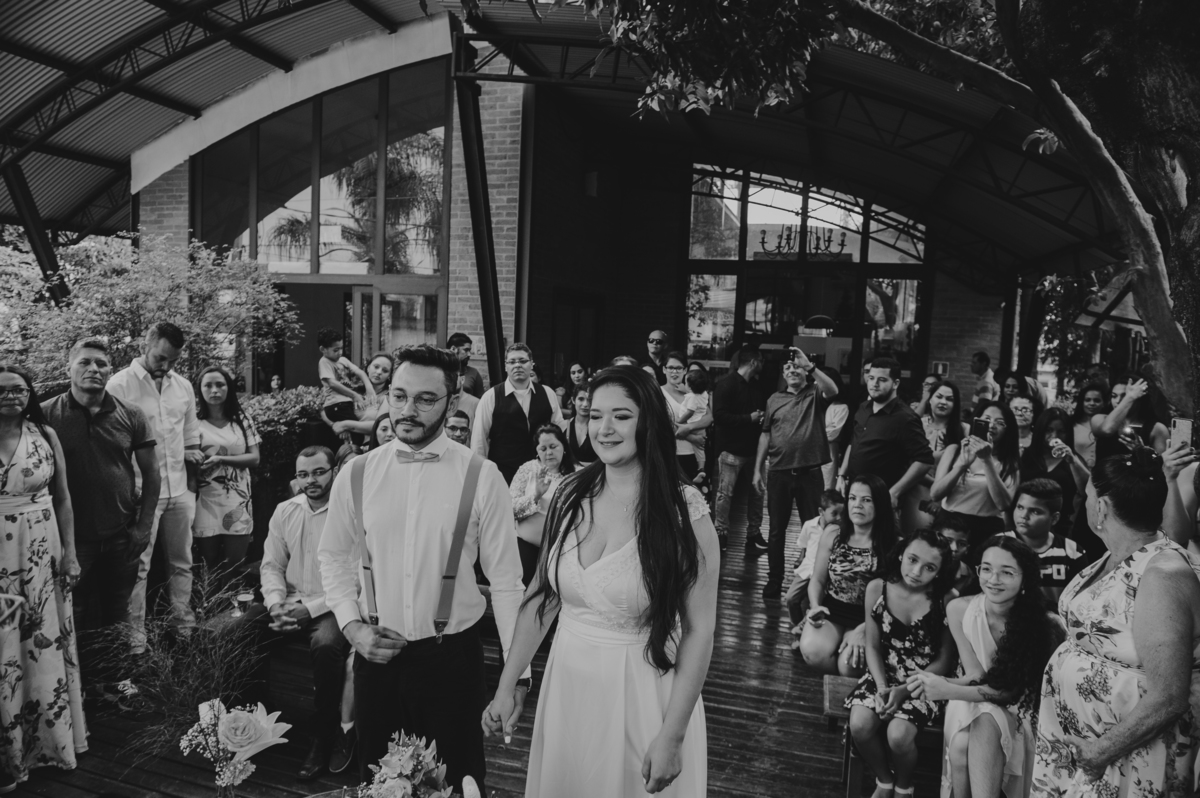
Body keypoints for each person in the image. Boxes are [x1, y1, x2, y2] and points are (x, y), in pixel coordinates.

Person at [482, 365, 720, 797]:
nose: (604, 429)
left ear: (648, 422)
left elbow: (699, 630)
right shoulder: (570, 493)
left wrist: (673, 735)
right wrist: (509, 684)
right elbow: (541, 597)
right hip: (567, 687)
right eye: (595, 415)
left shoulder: (684, 512)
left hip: (642, 695)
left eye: (621, 416)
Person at [319, 345, 527, 792]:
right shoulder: (356, 473)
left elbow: (508, 584)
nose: (407, 410)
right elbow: (333, 556)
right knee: (379, 785)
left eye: (425, 399)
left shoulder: (482, 475)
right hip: (377, 658)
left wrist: (516, 678)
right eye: (398, 396)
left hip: (453, 662)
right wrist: (352, 628)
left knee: (459, 782)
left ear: (451, 403)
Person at [1031, 449, 1200, 798]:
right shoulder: (1117, 553)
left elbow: (1169, 697)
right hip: (1083, 747)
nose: (1085, 502)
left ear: (1102, 507)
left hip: (1124, 756)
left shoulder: (1163, 576)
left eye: (1087, 495)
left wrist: (1100, 752)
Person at [41, 338, 160, 700]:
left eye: (102, 364)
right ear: (69, 368)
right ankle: (74, 688)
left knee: (117, 611)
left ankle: (116, 679)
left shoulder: (131, 414)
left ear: (111, 370)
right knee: (71, 612)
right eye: (85, 362)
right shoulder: (45, 415)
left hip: (121, 533)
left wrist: (143, 526)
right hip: (71, 539)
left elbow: (152, 474)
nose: (94, 369)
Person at [906, 535, 1062, 798]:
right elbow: (976, 676)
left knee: (985, 722)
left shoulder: (1043, 624)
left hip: (1021, 707)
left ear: (1025, 578)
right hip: (973, 697)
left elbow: (1009, 693)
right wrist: (934, 682)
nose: (993, 579)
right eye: (986, 569)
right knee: (964, 740)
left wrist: (947, 690)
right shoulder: (959, 609)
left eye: (1007, 572)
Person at [0, 363, 86, 789]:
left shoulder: (45, 435)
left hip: (40, 553)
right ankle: (8, 752)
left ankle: (48, 743)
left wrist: (70, 554)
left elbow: (64, 498)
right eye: (2, 390)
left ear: (29, 393)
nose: (10, 396)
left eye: (18, 389)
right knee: (5, 643)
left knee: (41, 642)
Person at [107, 321, 202, 646]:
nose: (166, 366)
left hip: (180, 490)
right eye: (161, 358)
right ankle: (135, 642)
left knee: (182, 563)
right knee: (138, 568)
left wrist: (191, 486)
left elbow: (190, 437)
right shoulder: (119, 386)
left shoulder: (183, 386)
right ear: (143, 346)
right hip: (141, 493)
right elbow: (112, 445)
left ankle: (183, 629)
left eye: (173, 360)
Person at [846, 529, 957, 798]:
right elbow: (873, 646)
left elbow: (945, 659)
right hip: (882, 673)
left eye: (929, 567)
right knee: (859, 725)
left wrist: (905, 690)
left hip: (925, 680)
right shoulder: (878, 588)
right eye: (912, 559)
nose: (917, 571)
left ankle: (904, 786)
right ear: (901, 555)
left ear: (939, 571)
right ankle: (884, 780)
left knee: (898, 735)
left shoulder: (947, 599)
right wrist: (882, 687)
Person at [753, 350, 839, 601]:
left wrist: (809, 366)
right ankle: (774, 580)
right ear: (783, 374)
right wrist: (758, 469)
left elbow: (833, 390)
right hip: (778, 473)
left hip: (809, 474)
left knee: (815, 529)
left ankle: (812, 579)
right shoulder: (774, 399)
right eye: (787, 368)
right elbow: (765, 434)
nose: (792, 370)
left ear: (805, 371)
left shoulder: (815, 393)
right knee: (776, 530)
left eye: (796, 367)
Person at [800, 474, 897, 676]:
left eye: (866, 500)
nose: (857, 505)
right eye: (852, 498)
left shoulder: (893, 543)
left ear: (880, 504)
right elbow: (817, 579)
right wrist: (815, 605)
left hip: (870, 617)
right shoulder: (833, 533)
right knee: (812, 652)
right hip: (833, 608)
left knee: (849, 665)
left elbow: (895, 599)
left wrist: (865, 629)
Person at [838, 357, 935, 532]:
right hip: (854, 495)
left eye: (882, 379)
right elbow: (854, 443)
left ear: (895, 383)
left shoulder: (905, 418)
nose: (874, 384)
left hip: (882, 500)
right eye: (871, 378)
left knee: (880, 546)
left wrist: (895, 492)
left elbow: (924, 460)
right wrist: (841, 475)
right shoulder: (863, 408)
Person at [193, 365, 261, 578]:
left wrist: (221, 459)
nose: (214, 390)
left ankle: (233, 599)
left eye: (220, 385)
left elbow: (254, 458)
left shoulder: (242, 419)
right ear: (200, 389)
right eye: (208, 385)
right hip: (205, 500)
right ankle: (211, 600)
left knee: (235, 565)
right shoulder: (193, 422)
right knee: (209, 565)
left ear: (228, 388)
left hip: (237, 500)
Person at [931, 400, 1020, 552]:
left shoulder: (1009, 462)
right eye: (986, 419)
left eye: (1000, 422)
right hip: (949, 526)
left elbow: (1004, 505)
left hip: (985, 529)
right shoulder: (955, 450)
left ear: (1008, 429)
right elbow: (935, 494)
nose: (992, 425)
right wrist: (961, 466)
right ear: (976, 421)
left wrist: (986, 460)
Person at [471, 343, 564, 484]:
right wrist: (482, 476)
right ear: (505, 366)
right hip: (502, 474)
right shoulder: (491, 397)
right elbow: (479, 441)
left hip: (541, 475)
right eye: (512, 362)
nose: (517, 365)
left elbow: (559, 432)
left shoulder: (547, 393)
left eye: (522, 361)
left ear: (531, 364)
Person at [713, 347, 766, 554]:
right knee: (725, 495)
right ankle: (721, 534)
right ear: (753, 362)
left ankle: (754, 534)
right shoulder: (726, 384)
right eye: (760, 361)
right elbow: (719, 416)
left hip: (754, 450)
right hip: (731, 450)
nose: (763, 365)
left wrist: (760, 417)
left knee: (758, 493)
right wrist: (749, 418)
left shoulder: (757, 386)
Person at [509, 424, 577, 586]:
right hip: (526, 544)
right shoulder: (528, 469)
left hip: (561, 548)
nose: (549, 453)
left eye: (553, 446)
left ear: (563, 446)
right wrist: (536, 495)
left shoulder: (576, 474)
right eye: (543, 449)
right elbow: (510, 508)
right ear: (537, 451)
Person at [1000, 479, 1083, 606]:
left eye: (1035, 511)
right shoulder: (998, 545)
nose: (1023, 515)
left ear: (1054, 518)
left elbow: (1079, 600)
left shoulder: (1073, 552)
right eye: (1020, 507)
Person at [784, 490, 846, 648]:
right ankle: (798, 625)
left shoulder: (840, 531)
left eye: (842, 513)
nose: (839, 518)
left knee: (817, 604)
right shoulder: (809, 526)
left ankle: (806, 632)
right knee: (791, 598)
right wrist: (800, 559)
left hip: (825, 574)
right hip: (807, 569)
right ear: (821, 512)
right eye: (834, 513)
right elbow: (804, 545)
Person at [1019, 408, 1090, 536]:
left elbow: (1087, 490)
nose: (1054, 436)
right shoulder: (1025, 455)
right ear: (1040, 430)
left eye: (1061, 431)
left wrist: (1073, 460)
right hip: (1023, 521)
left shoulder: (1073, 459)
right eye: (1048, 430)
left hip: (1058, 526)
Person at [315, 328, 373, 446]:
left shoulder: (343, 360)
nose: (340, 352)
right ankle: (356, 451)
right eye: (336, 350)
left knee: (351, 431)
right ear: (323, 349)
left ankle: (352, 447)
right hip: (336, 405)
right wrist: (354, 395)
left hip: (344, 404)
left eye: (341, 348)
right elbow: (332, 383)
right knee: (357, 432)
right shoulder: (324, 362)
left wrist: (369, 386)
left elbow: (360, 372)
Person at [1091, 375, 1169, 459]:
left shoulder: (1157, 429)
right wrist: (1130, 397)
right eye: (1114, 396)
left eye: (1124, 396)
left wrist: (1142, 452)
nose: (1118, 401)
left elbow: (1161, 464)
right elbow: (1107, 430)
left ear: (1139, 397)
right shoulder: (1099, 419)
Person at [327, 353, 393, 442]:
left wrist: (345, 425)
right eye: (376, 367)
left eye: (385, 371)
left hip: (372, 446)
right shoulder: (354, 391)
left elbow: (381, 425)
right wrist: (336, 425)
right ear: (368, 368)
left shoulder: (388, 397)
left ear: (389, 375)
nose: (379, 372)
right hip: (349, 446)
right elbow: (324, 408)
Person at [661, 351, 706, 481]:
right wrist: (693, 437)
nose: (674, 372)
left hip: (692, 454)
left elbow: (709, 417)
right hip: (669, 453)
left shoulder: (693, 392)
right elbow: (661, 424)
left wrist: (689, 427)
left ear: (685, 370)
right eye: (670, 368)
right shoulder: (658, 392)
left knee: (690, 491)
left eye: (678, 368)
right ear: (664, 369)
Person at [820, 368, 850, 490]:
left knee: (825, 491)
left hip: (827, 455)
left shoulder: (841, 407)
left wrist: (810, 432)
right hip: (807, 456)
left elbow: (832, 434)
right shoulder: (812, 403)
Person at [1070, 382, 1108, 469]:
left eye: (1097, 400)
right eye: (1087, 400)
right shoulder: (1071, 424)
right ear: (1081, 402)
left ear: (1104, 403)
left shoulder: (1109, 426)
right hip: (1077, 471)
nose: (1092, 403)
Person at [685, 364, 713, 472]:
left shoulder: (702, 395)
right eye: (691, 373)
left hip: (699, 430)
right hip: (682, 447)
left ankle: (701, 470)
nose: (694, 376)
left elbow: (710, 417)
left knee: (700, 450)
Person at [562, 382, 596, 465]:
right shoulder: (564, 426)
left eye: (589, 400)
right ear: (573, 400)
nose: (585, 404)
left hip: (594, 472)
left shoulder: (599, 427)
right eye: (581, 399)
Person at [448, 333, 484, 399]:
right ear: (453, 349)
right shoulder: (441, 371)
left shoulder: (474, 373)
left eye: (469, 351)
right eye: (466, 350)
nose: (469, 354)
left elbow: (481, 401)